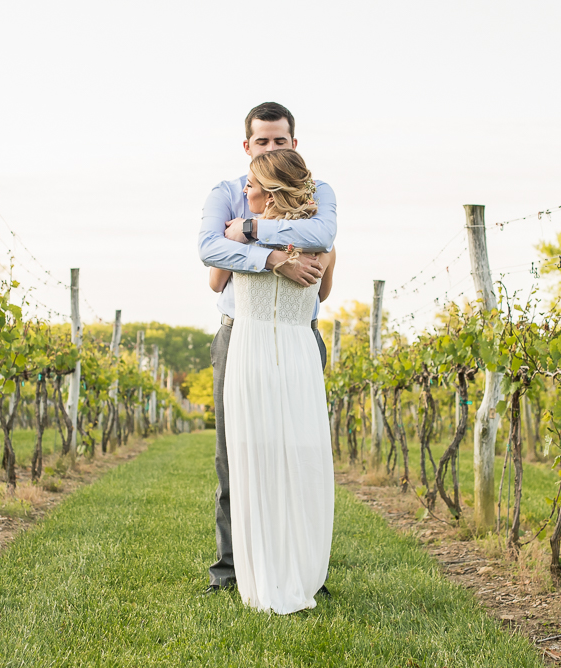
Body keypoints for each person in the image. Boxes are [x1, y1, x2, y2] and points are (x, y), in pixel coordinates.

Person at [197, 102, 337, 595]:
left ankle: (298, 565)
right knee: (233, 458)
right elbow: (210, 251)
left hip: (301, 337)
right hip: (241, 334)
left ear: (294, 143)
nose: (272, 148)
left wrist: (252, 231)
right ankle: (232, 570)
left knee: (300, 451)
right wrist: (274, 258)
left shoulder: (319, 195)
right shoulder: (228, 192)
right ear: (247, 145)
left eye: (281, 141)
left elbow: (323, 236)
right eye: (263, 142)